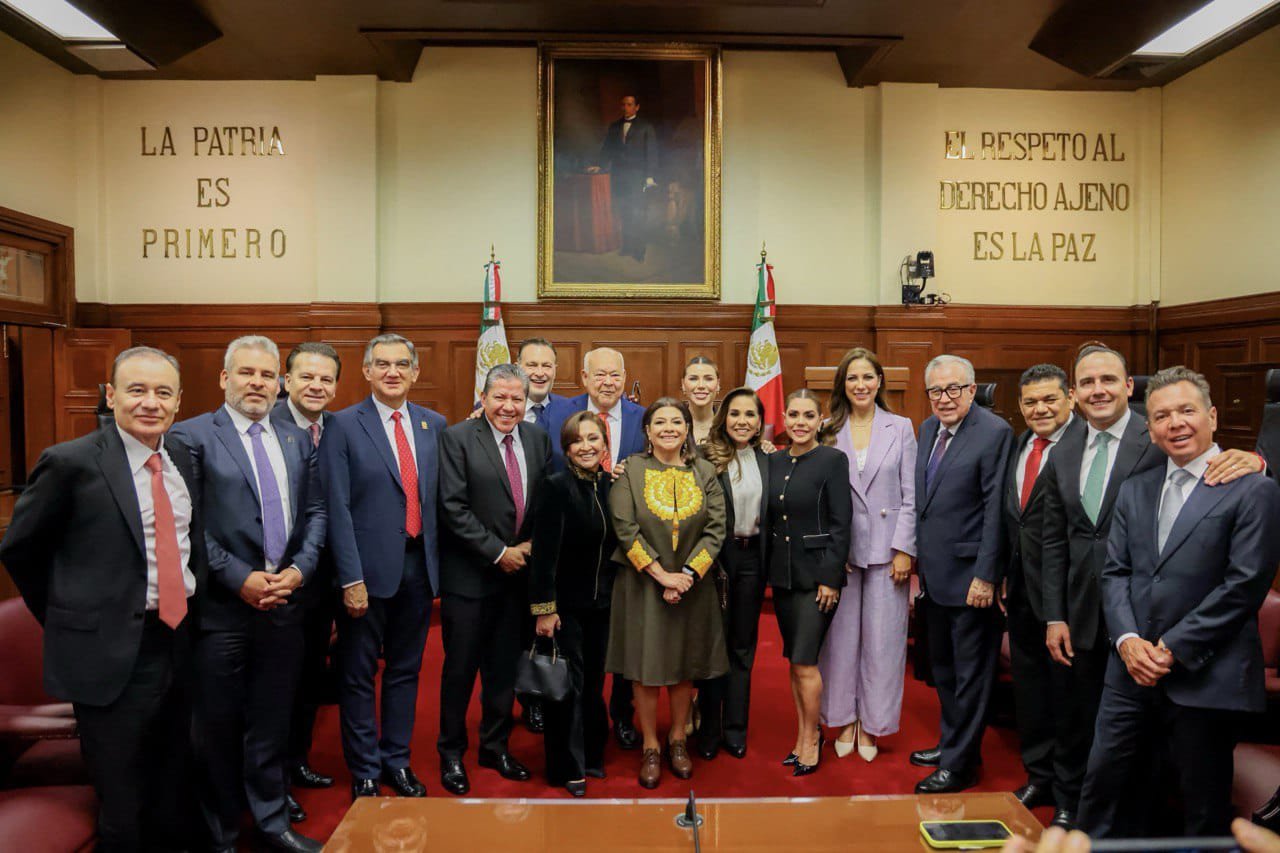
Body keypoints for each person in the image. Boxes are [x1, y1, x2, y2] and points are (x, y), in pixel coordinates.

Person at [1039, 343, 1261, 829]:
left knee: (1196, 801)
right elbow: (1107, 565)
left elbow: (1244, 584)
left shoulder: (1245, 483)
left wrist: (1172, 647)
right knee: (1102, 782)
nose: (1175, 423)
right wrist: (1128, 640)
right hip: (1123, 650)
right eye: (1164, 416)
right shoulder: (1113, 472)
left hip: (1203, 669)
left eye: (1187, 412)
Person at [0, 347, 202, 853]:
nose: (150, 402)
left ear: (179, 402)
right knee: (122, 800)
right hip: (109, 654)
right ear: (111, 396)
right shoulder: (70, 463)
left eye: (162, 392)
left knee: (174, 783)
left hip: (178, 642)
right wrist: (73, 616)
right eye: (136, 390)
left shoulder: (183, 460)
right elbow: (21, 550)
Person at [170, 336, 326, 853]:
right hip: (222, 611)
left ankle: (272, 822)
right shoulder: (190, 436)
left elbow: (316, 513)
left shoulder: (296, 437)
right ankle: (220, 835)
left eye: (266, 375)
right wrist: (239, 577)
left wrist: (300, 571)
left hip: (285, 605)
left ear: (279, 382)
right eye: (246, 374)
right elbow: (186, 526)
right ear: (223, 379)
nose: (257, 383)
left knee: (271, 721)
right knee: (215, 727)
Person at [322, 333, 446, 800]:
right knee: (356, 675)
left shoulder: (434, 425)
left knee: (405, 671)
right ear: (367, 371)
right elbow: (337, 506)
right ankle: (366, 769)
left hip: (419, 568)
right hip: (364, 575)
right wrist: (350, 578)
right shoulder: (342, 425)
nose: (392, 372)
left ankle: (397, 760)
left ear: (415, 372)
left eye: (401, 364)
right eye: (382, 364)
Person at [437, 364, 552, 795]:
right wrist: (499, 552)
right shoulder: (457, 438)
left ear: (527, 402)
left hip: (518, 579)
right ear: (483, 398)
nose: (508, 406)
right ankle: (450, 753)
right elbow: (452, 508)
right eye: (499, 398)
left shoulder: (538, 440)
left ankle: (494, 746)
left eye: (516, 399)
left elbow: (544, 501)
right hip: (470, 578)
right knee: (460, 670)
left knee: (504, 670)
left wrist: (531, 549)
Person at [607, 397, 727, 788]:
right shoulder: (631, 471)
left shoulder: (705, 471)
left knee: (683, 664)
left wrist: (687, 575)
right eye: (660, 422)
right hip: (642, 585)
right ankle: (650, 745)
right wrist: (662, 576)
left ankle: (678, 738)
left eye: (677, 421)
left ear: (688, 429)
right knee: (645, 668)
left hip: (694, 586)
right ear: (647, 430)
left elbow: (716, 529)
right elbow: (625, 529)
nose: (669, 428)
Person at [910, 354, 1013, 794]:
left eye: (954, 389)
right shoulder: (928, 428)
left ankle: (961, 765)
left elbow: (996, 510)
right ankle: (954, 744)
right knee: (945, 670)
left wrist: (987, 575)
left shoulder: (994, 433)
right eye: (936, 391)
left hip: (973, 579)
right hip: (936, 576)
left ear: (973, 390)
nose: (944, 398)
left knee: (971, 676)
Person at [818, 348, 917, 763]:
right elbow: (819, 496)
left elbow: (911, 494)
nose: (860, 385)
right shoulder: (826, 429)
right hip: (842, 553)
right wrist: (829, 551)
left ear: (880, 382)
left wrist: (903, 550)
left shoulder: (902, 427)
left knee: (882, 645)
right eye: (852, 378)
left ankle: (873, 724)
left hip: (886, 553)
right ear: (843, 384)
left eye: (867, 377)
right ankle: (844, 719)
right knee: (840, 645)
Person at [551, 346, 647, 747]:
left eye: (615, 375)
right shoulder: (558, 413)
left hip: (630, 557)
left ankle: (622, 715)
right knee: (579, 657)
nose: (608, 382)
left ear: (624, 379)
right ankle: (575, 728)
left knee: (624, 646)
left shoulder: (646, 419)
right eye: (600, 375)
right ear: (584, 377)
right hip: (575, 561)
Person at [1002, 363, 1078, 821]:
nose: (1040, 409)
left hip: (1068, 596)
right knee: (1030, 690)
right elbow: (1014, 516)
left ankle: (1070, 795)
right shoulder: (1021, 443)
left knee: (1067, 695)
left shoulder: (1086, 445)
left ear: (1070, 398)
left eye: (1050, 399)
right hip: (1022, 590)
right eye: (1030, 402)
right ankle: (1039, 777)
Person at [529, 411, 619, 796]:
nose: (586, 446)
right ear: (566, 448)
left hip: (602, 605)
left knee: (595, 683)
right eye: (578, 440)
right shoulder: (555, 487)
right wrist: (545, 609)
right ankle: (568, 766)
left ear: (605, 444)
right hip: (564, 607)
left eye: (593, 439)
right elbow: (544, 555)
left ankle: (592, 754)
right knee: (568, 687)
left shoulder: (608, 486)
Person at [767, 389, 853, 777]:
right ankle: (803, 733)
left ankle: (811, 739)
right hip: (784, 576)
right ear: (784, 418)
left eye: (808, 415)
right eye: (794, 415)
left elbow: (841, 523)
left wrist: (831, 578)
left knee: (805, 661)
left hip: (817, 578)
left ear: (821, 420)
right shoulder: (775, 460)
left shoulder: (833, 460)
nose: (800, 422)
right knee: (794, 661)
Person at [272, 342, 341, 818]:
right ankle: (270, 783)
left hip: (324, 579)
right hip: (274, 582)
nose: (317, 386)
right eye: (307, 377)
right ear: (287, 380)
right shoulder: (266, 427)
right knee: (274, 687)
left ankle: (296, 760)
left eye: (326, 379)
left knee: (308, 680)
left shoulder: (336, 429)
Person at [694, 387, 771, 760]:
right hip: (714, 561)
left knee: (742, 647)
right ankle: (708, 728)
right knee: (713, 648)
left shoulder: (771, 460)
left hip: (752, 560)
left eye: (750, 415)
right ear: (724, 419)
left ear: (760, 423)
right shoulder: (704, 458)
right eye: (735, 414)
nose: (742, 421)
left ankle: (735, 728)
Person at [587, 93, 658, 262]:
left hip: (638, 177)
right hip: (619, 176)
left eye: (630, 104)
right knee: (624, 211)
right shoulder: (614, 126)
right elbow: (607, 148)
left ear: (637, 107)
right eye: (624, 104)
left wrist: (649, 176)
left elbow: (652, 153)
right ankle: (627, 247)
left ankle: (639, 250)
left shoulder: (646, 127)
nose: (626, 107)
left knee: (638, 212)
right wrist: (600, 164)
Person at [681, 356, 720, 445]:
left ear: (718, 385)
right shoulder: (672, 423)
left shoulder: (728, 423)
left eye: (708, 379)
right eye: (693, 379)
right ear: (683, 385)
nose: (701, 385)